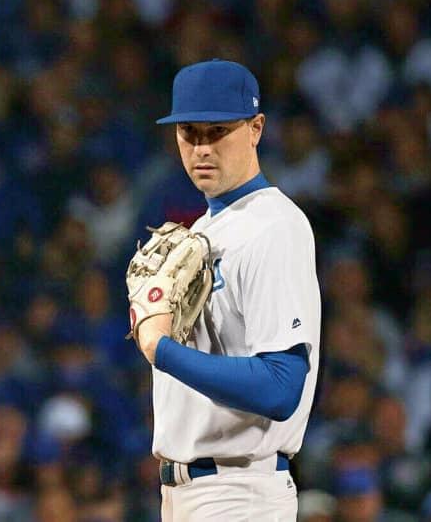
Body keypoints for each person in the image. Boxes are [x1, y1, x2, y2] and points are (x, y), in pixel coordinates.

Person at [130, 59, 321, 520]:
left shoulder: (275, 225)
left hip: (239, 490)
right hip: (189, 492)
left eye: (217, 132)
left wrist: (161, 348)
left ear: (256, 128)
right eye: (189, 134)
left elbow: (281, 387)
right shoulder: (204, 230)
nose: (201, 148)